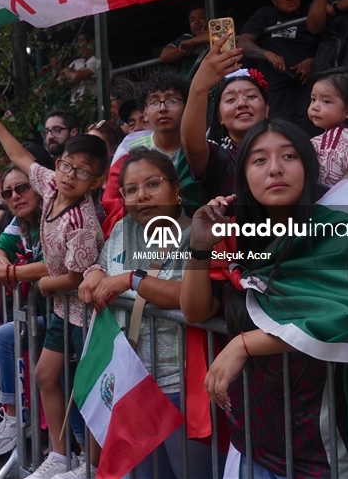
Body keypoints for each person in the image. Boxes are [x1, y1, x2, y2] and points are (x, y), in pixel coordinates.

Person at [181, 120, 348, 478]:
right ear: (243, 177)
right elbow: (195, 311)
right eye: (259, 160)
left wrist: (243, 344)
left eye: (289, 156)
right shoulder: (237, 232)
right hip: (250, 441)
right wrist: (199, 246)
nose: (275, 168)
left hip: (318, 451)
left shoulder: (339, 235)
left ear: (308, 165)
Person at [0, 107, 107, 479]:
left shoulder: (83, 222)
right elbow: (20, 156)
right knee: (46, 375)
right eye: (67, 165)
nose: (70, 176)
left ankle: (92, 467)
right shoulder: (50, 185)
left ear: (96, 182)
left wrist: (37, 280)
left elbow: (75, 276)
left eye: (83, 172)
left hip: (85, 315)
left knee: (86, 391)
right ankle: (62, 457)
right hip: (64, 313)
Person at [78, 149, 215, 479]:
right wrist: (93, 273)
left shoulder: (195, 233)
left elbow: (189, 297)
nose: (142, 195)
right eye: (132, 189)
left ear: (176, 189)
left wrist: (130, 280)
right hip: (131, 386)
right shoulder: (122, 230)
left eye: (152, 184)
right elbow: (103, 262)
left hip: (178, 387)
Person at [0, 165, 47, 467]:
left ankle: (62, 452)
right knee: (7, 338)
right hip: (47, 316)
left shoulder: (56, 214)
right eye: (7, 192)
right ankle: (16, 420)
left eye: (22, 188)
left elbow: (60, 267)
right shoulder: (20, 220)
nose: (15, 196)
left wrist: (9, 271)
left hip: (74, 317)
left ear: (40, 186)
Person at [101, 71, 204, 236]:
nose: (163, 108)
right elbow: (113, 206)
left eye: (172, 100)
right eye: (154, 102)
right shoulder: (128, 151)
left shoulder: (202, 148)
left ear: (187, 107)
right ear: (145, 113)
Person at [182, 37, 268, 203]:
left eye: (251, 96)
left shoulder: (288, 144)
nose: (242, 103)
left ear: (267, 109)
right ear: (219, 117)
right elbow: (191, 147)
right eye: (230, 100)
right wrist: (199, 86)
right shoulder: (217, 158)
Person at [240, 0, 320, 132]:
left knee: (309, 137)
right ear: (274, 1)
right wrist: (267, 54)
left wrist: (313, 60)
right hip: (275, 92)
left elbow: (328, 44)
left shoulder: (311, 16)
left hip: (306, 89)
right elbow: (243, 43)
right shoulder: (267, 14)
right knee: (279, 134)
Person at [307, 67, 348, 186]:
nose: (315, 107)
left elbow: (326, 178)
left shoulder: (338, 137)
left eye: (326, 101)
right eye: (313, 99)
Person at [159, 5, 209, 78]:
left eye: (202, 17)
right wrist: (186, 48)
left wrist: (194, 41)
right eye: (192, 20)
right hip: (190, 85)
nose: (196, 22)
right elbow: (164, 56)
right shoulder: (186, 38)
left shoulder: (215, 33)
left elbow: (217, 37)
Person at [60, 33, 98, 103]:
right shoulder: (76, 62)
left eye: (80, 41)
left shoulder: (98, 59)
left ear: (91, 42)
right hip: (74, 106)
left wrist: (69, 72)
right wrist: (74, 72)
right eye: (76, 42)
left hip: (91, 105)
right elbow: (59, 81)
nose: (76, 45)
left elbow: (76, 77)